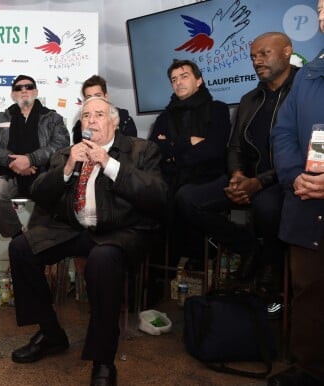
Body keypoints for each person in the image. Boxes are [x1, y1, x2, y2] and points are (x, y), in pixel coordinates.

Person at [8, 97, 167, 386]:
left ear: (114, 121)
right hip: (73, 229)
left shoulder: (141, 150)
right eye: (85, 116)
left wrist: (108, 163)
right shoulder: (68, 152)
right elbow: (40, 193)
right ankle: (51, 333)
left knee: (102, 261)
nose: (91, 120)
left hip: (120, 232)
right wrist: (67, 167)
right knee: (21, 248)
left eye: (99, 114)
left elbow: (157, 195)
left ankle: (103, 360)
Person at [177, 32, 297, 300]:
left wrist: (260, 182)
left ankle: (271, 265)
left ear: (287, 51)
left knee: (266, 205)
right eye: (253, 56)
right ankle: (250, 248)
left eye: (264, 53)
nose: (257, 61)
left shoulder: (305, 91)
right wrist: (237, 176)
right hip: (247, 179)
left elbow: (303, 152)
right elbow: (234, 147)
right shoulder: (249, 99)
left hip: (284, 180)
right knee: (187, 198)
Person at [268, 2, 324, 384]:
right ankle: (308, 369)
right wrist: (295, 177)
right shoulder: (308, 75)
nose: (321, 17)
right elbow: (283, 131)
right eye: (320, 8)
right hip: (307, 204)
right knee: (309, 291)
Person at [148, 59, 231, 264]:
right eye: (174, 79)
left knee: (184, 198)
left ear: (199, 80)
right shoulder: (164, 118)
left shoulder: (217, 109)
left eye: (184, 76)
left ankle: (196, 263)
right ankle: (160, 278)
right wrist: (188, 141)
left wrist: (173, 152)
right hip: (171, 180)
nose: (178, 82)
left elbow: (214, 150)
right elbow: (154, 150)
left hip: (209, 178)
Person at [0, 75, 70, 239]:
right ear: (13, 95)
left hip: (42, 173)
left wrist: (30, 159)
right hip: (8, 174)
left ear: (35, 92)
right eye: (18, 88)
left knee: (55, 194)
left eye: (28, 87)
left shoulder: (52, 118)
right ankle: (19, 238)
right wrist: (11, 161)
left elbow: (61, 144)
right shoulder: (3, 117)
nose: (24, 91)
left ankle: (40, 241)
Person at [71, 75, 137, 143]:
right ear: (85, 101)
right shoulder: (80, 125)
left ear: (106, 97)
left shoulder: (125, 120)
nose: (94, 100)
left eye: (98, 96)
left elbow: (131, 149)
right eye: (89, 97)